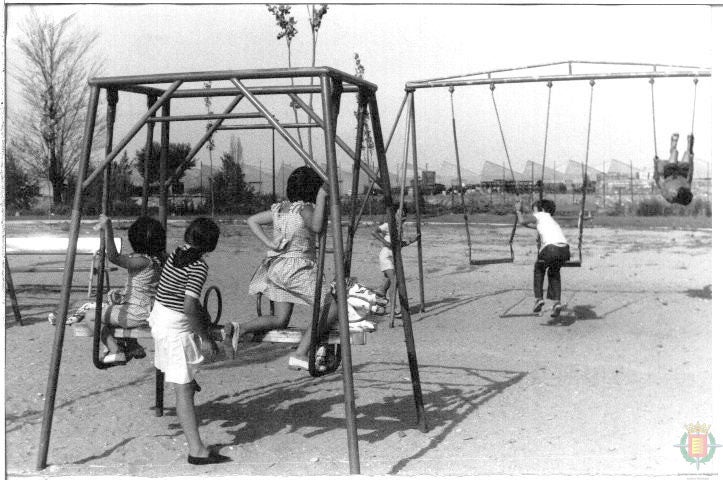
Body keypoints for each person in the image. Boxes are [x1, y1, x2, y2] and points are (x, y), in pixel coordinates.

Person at [224, 166, 342, 371]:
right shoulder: (305, 208)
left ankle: (239, 328)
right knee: (330, 307)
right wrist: (323, 196)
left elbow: (252, 220)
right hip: (297, 268)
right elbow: (316, 226)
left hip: (277, 268)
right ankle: (300, 354)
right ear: (312, 189)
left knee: (280, 319)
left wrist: (269, 243)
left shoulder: (279, 209)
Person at [148, 217, 229, 465]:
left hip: (160, 317)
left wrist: (203, 322)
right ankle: (197, 451)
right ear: (211, 245)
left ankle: (189, 382)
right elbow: (190, 306)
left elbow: (181, 296)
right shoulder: (198, 267)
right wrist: (204, 337)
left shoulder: (176, 253)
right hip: (174, 325)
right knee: (182, 388)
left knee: (185, 372)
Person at [52, 215, 166, 363]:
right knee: (114, 307)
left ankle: (116, 350)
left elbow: (114, 257)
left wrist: (108, 229)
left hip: (135, 314)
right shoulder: (158, 260)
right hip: (149, 311)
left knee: (92, 316)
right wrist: (123, 295)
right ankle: (133, 346)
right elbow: (143, 289)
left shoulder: (142, 262)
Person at [515, 199, 570, 318]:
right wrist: (524, 221)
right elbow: (530, 225)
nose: (532, 212)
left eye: (533, 209)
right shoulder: (550, 220)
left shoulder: (540, 215)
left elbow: (522, 220)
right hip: (564, 250)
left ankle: (538, 298)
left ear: (542, 209)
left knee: (539, 270)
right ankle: (556, 303)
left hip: (550, 249)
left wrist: (518, 211)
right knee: (554, 273)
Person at [371, 205, 419, 313]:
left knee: (387, 283)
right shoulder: (388, 225)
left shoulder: (399, 229)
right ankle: (394, 308)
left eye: (404, 215)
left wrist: (412, 240)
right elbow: (374, 232)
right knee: (395, 281)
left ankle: (379, 298)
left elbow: (399, 245)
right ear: (394, 215)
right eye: (399, 214)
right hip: (386, 257)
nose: (402, 217)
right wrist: (385, 242)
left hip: (394, 258)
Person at [653, 132, 695, 205]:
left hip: (670, 174)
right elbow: (690, 174)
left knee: (675, 153)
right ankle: (689, 145)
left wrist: (656, 164)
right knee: (687, 154)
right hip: (683, 173)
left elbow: (658, 181)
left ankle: (674, 143)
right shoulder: (687, 189)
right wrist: (691, 158)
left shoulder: (668, 196)